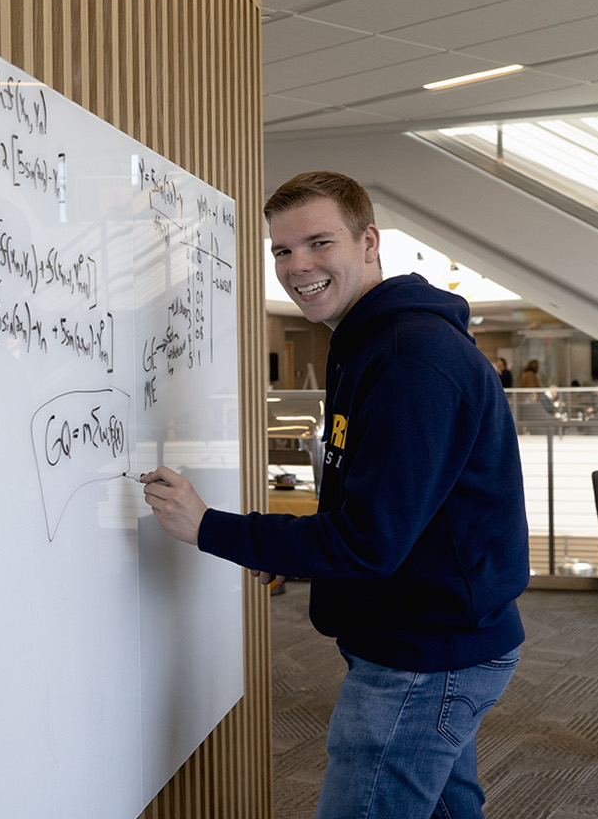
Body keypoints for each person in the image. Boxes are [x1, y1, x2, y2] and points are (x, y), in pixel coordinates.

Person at [141, 171, 528, 818]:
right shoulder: (368, 346)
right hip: (433, 640)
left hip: (424, 660)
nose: (299, 267)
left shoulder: (410, 359)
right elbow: (375, 510)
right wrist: (290, 553)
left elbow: (367, 541)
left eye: (319, 243)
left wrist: (210, 527)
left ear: (368, 241)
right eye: (282, 252)